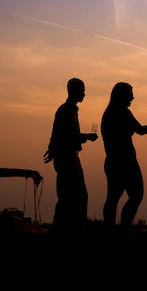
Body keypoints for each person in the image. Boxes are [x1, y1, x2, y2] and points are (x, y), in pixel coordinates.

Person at [101, 82, 147, 232]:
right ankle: (123, 229)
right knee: (136, 195)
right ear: (122, 95)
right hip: (126, 162)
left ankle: (110, 231)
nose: (133, 97)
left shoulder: (108, 113)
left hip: (112, 162)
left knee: (112, 199)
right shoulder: (123, 112)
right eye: (130, 94)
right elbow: (141, 130)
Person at [44, 78, 98, 236]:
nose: (84, 93)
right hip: (67, 159)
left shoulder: (70, 110)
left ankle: (68, 231)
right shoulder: (66, 111)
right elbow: (67, 136)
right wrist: (87, 136)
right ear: (73, 91)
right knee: (72, 196)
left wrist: (52, 149)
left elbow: (57, 134)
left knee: (73, 196)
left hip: (70, 158)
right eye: (82, 90)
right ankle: (66, 232)